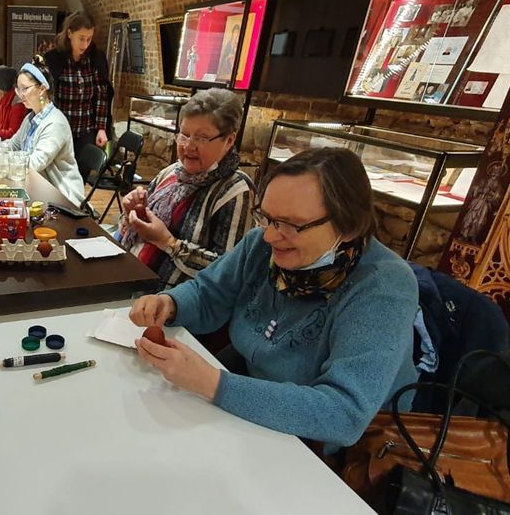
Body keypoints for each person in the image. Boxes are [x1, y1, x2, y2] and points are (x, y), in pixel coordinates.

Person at [129, 147, 419, 450]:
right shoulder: (261, 244)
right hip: (251, 393)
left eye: (292, 225)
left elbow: (344, 414)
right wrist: (170, 303)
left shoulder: (382, 287)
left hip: (325, 444)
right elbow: (208, 293)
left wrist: (212, 383)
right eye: (267, 218)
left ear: (349, 226)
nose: (269, 236)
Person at [119, 88, 257, 289]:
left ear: (229, 140)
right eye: (184, 135)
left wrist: (168, 242)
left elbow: (229, 272)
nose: (188, 146)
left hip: (173, 303)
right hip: (131, 276)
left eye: (201, 138)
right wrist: (132, 213)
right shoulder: (172, 172)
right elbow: (131, 231)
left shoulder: (236, 191)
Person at [1, 62, 85, 207]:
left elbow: (34, 164)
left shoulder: (55, 123)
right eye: (18, 89)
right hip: (38, 189)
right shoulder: (31, 118)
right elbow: (13, 145)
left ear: (41, 89)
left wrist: (4, 160)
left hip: (62, 196)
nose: (21, 95)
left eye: (25, 89)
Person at [42, 11, 114, 151]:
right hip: (59, 130)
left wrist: (101, 128)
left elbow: (101, 96)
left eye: (89, 39)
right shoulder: (53, 59)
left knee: (83, 171)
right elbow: (47, 97)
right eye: (81, 38)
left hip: (86, 131)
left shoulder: (96, 58)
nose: (85, 44)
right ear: (69, 34)